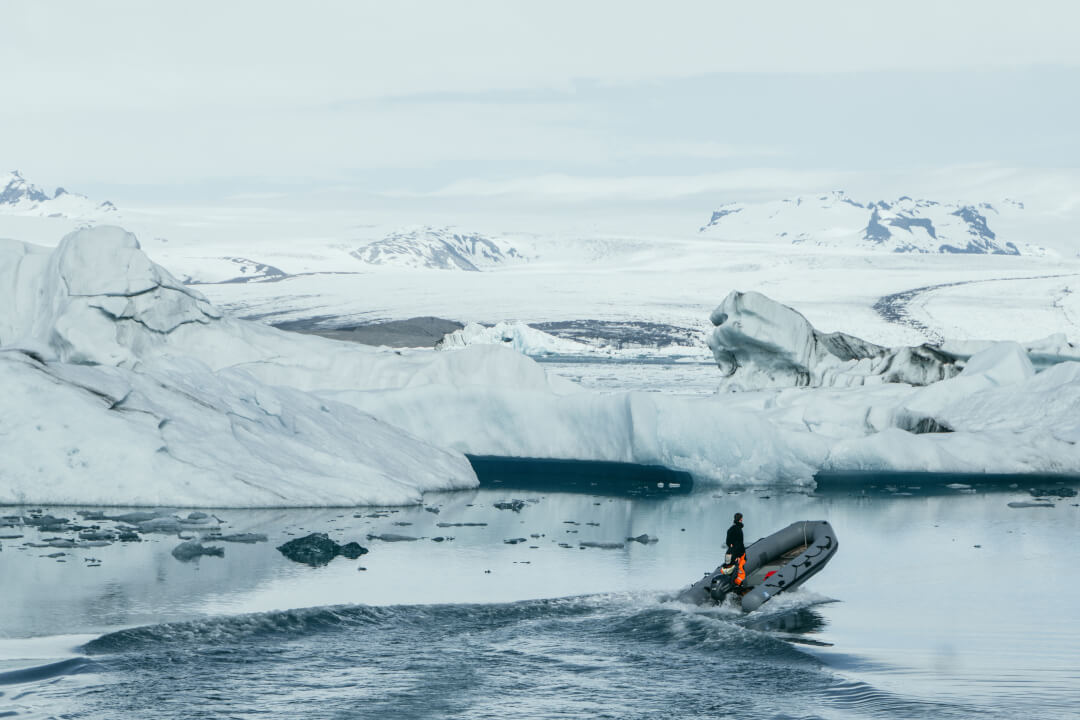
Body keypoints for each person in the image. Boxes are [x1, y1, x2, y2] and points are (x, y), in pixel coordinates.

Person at [725, 512, 746, 586]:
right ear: (740, 519)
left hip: (729, 553)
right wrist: (738, 556)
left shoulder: (730, 529)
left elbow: (728, 542)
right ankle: (738, 586)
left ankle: (728, 585)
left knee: (728, 570)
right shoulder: (738, 530)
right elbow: (739, 545)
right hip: (736, 554)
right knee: (739, 571)